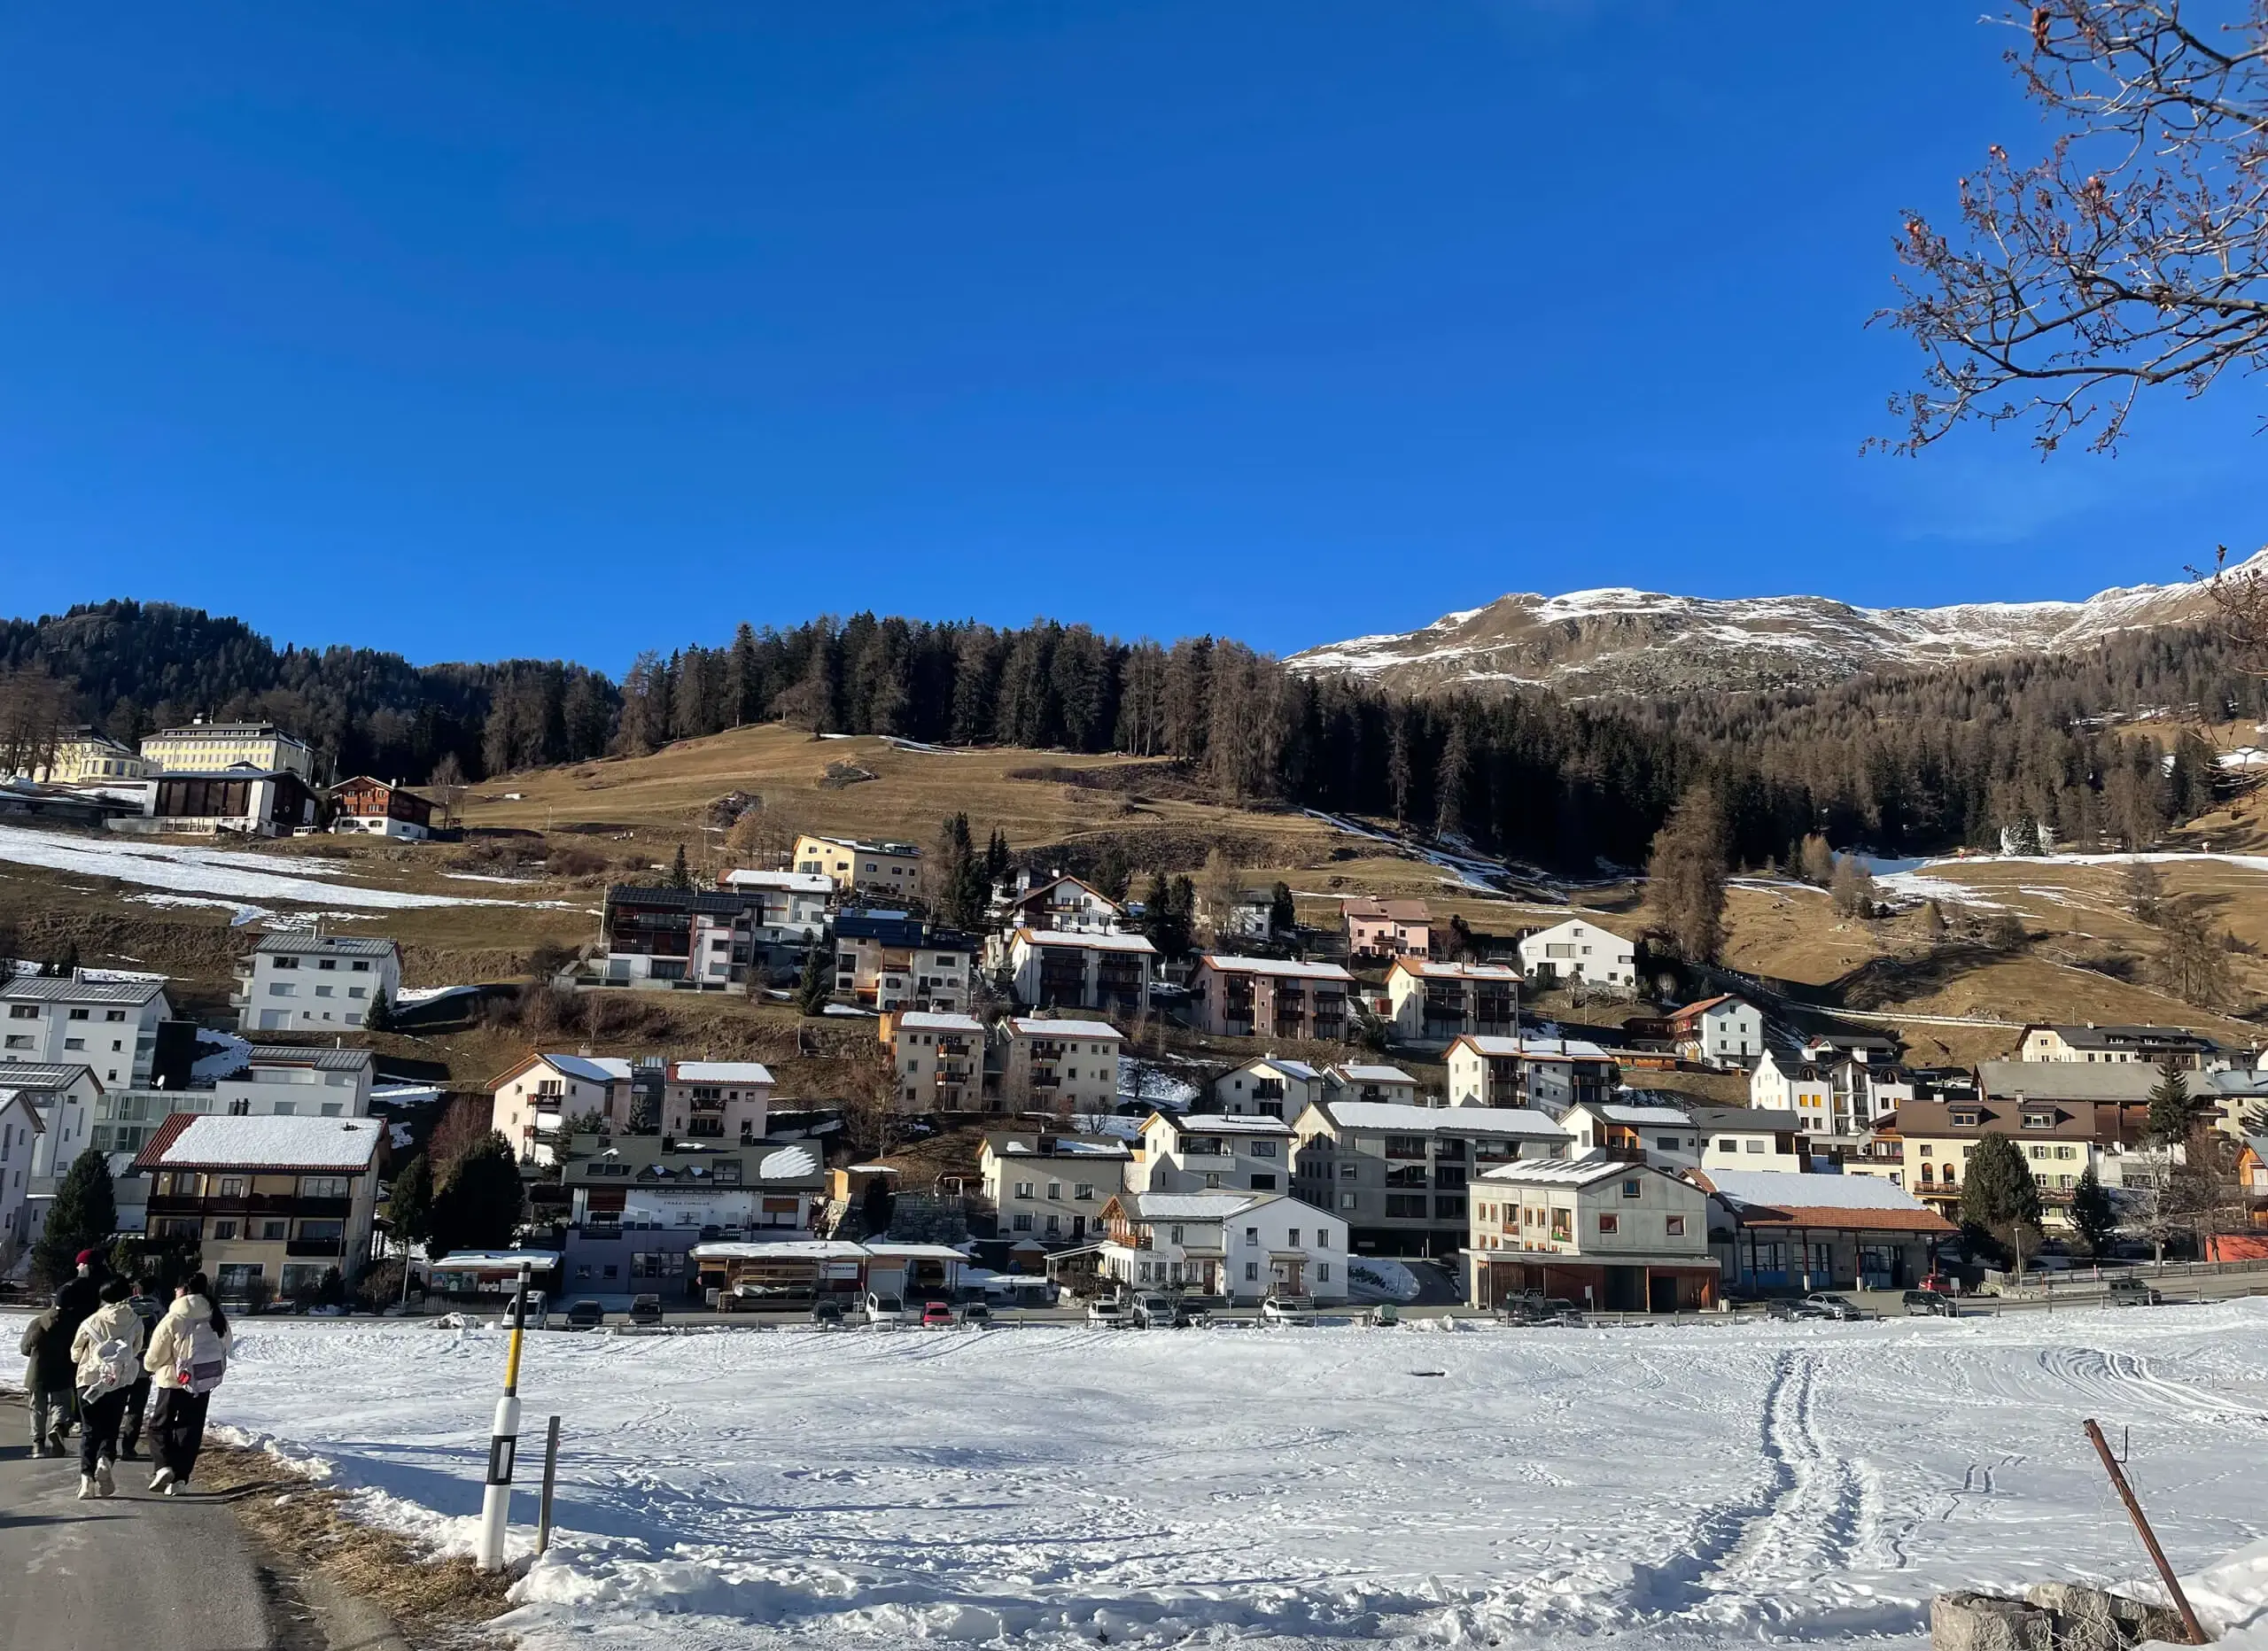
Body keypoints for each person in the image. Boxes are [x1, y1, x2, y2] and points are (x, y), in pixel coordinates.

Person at [143, 1272, 231, 1494]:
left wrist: (150, 1367)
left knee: (159, 1426)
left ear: (185, 1291)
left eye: (177, 1288)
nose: (175, 1291)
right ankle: (180, 1479)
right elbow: (226, 1345)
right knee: (190, 1428)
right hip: (203, 1380)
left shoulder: (174, 1317)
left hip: (172, 1381)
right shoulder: (216, 1315)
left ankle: (163, 1466)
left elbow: (154, 1358)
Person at [69, 1278, 144, 1499]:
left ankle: (86, 1480)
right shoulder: (135, 1321)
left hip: (89, 1381)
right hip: (118, 1382)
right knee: (111, 1429)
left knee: (89, 1430)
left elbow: (75, 1353)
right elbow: (136, 1348)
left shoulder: (90, 1321)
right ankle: (105, 1461)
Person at [17, 1294, 75, 1456]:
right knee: (61, 1403)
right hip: (63, 1370)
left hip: (38, 1371)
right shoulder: (72, 1325)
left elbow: (24, 1348)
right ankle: (57, 1426)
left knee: (37, 1407)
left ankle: (38, 1444)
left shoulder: (37, 1322)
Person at [116, 1275, 166, 1461]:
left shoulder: (126, 1307)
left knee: (117, 1406)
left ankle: (109, 1447)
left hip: (122, 1364)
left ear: (136, 1290)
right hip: (144, 1366)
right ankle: (128, 1448)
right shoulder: (159, 1309)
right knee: (136, 1410)